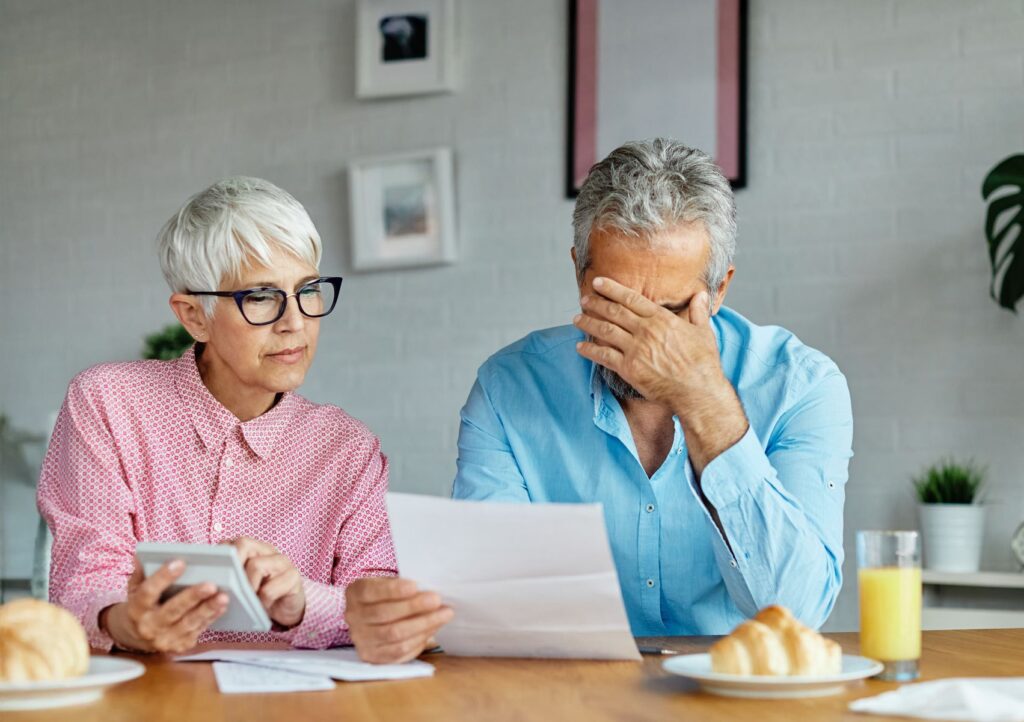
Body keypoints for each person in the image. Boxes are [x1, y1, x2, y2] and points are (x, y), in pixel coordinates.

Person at [450, 139, 853, 636]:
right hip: (575, 678)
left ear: (719, 290)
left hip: (734, 681)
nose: (644, 340)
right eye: (616, 304)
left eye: (669, 312)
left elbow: (798, 612)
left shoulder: (801, 387)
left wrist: (704, 401)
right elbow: (489, 595)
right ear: (579, 274)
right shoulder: (508, 390)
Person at [37, 177, 451, 655]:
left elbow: (382, 607)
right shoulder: (107, 403)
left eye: (308, 290)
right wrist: (129, 622)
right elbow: (84, 584)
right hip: (144, 690)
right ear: (194, 316)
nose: (294, 322)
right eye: (260, 297)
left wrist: (303, 603)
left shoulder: (348, 450)